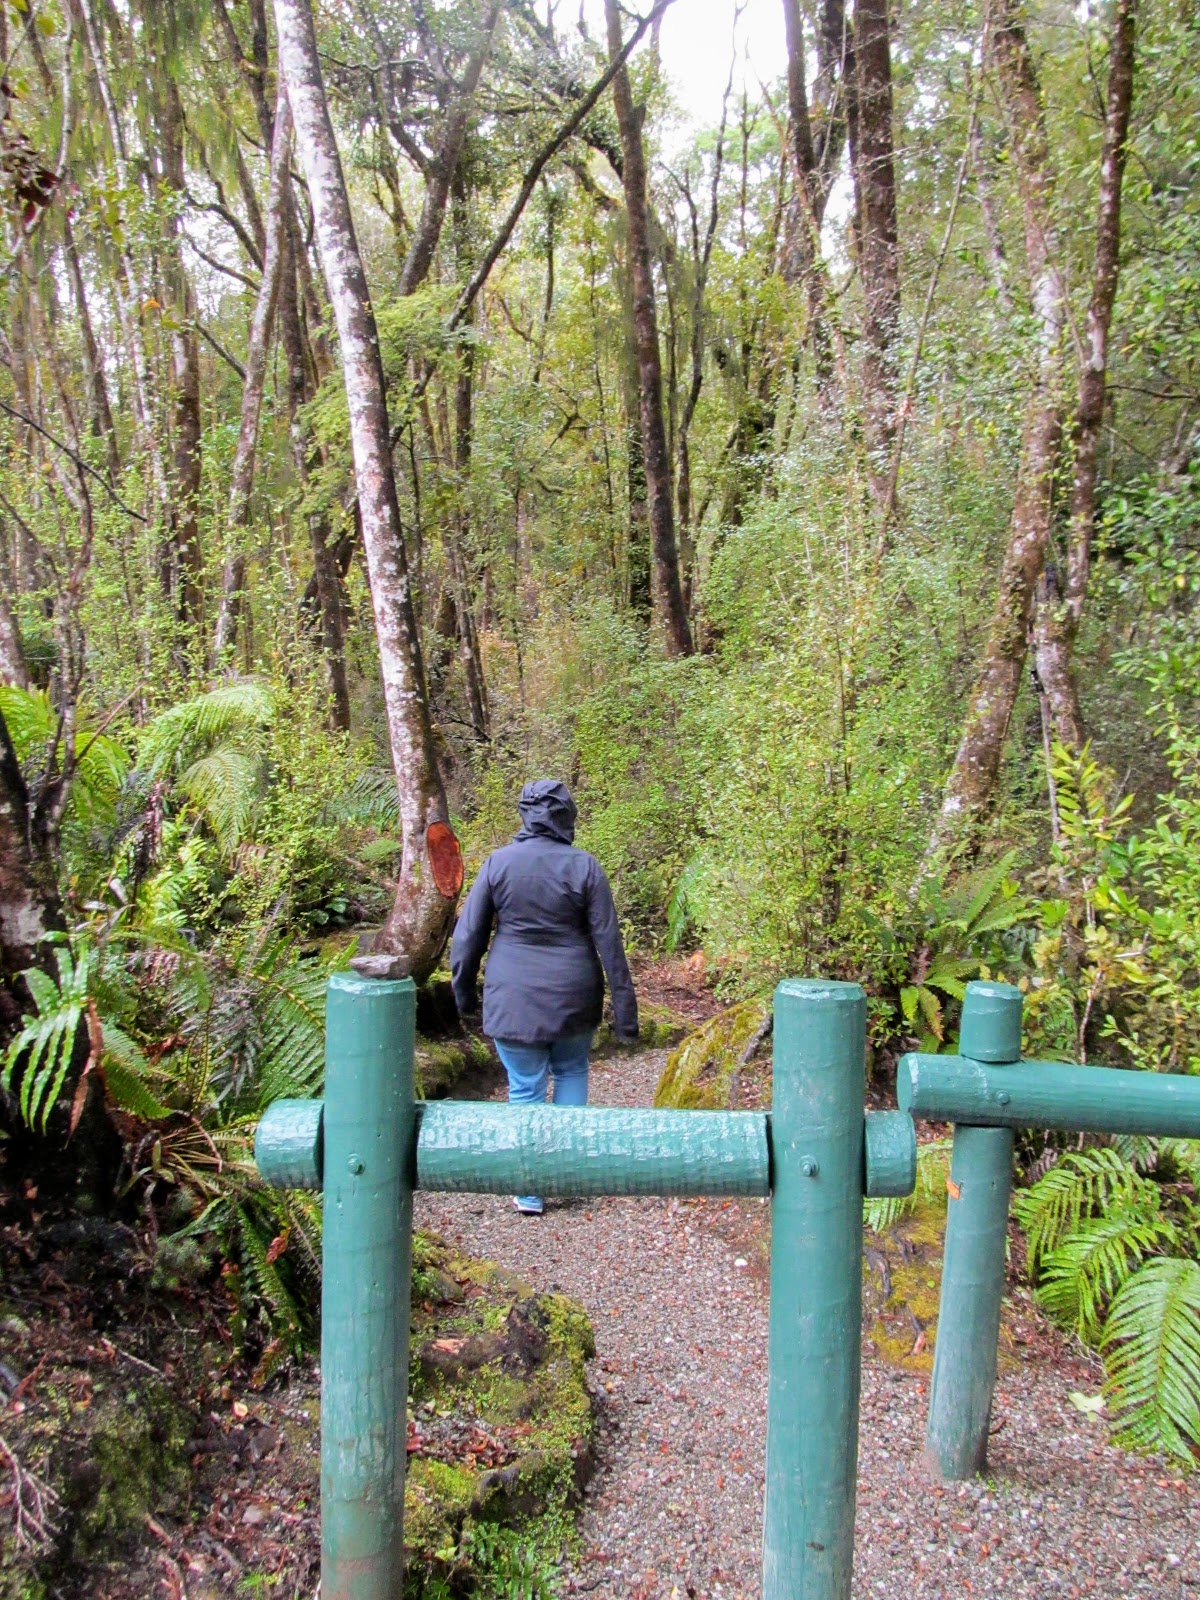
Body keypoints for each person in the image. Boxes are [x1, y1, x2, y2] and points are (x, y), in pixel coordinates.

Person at [450, 779, 639, 1214]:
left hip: (512, 996)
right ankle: (566, 1169)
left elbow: (466, 940)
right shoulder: (586, 867)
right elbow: (610, 943)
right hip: (574, 994)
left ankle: (530, 1189)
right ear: (566, 816)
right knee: (571, 1069)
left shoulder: (498, 864)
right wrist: (625, 1017)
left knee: (525, 1087)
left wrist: (463, 997)